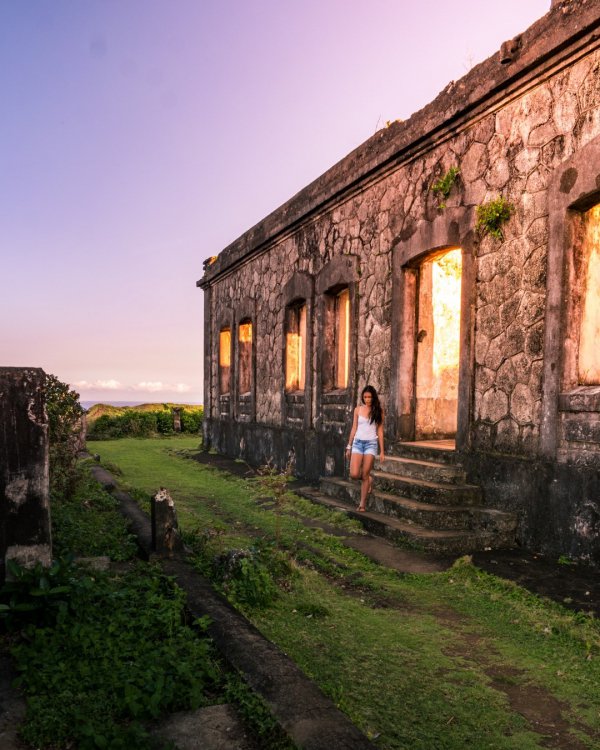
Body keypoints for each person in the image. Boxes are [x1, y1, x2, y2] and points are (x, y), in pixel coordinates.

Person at [345, 385, 384, 512]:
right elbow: (354, 428)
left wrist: (382, 451)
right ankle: (369, 480)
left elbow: (380, 431)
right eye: (365, 397)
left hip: (371, 444)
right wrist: (349, 446)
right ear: (363, 397)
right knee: (354, 474)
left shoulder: (378, 411)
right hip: (357, 443)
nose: (367, 399)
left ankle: (362, 504)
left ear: (373, 398)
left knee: (365, 475)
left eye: (370, 397)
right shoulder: (357, 410)